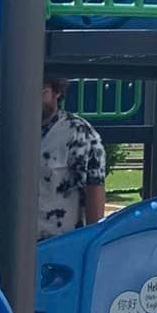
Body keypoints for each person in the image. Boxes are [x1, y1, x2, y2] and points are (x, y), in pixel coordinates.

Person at [36, 76, 106, 239]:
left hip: (61, 239)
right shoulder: (14, 130)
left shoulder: (78, 132)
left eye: (41, 91)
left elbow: (94, 187)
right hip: (19, 240)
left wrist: (92, 239)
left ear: (56, 93)